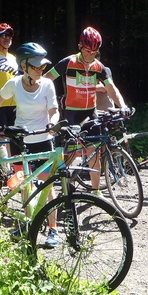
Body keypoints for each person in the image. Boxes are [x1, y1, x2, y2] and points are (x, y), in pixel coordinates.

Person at [0, 42, 60, 246]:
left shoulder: (47, 84)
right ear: (23, 67)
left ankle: (53, 229)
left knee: (48, 187)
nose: (40, 70)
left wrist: (52, 124)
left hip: (43, 140)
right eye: (36, 66)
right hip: (21, 141)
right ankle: (29, 224)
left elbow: (54, 110)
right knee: (25, 186)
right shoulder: (14, 83)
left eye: (42, 67)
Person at [45, 26, 128, 195]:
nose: (91, 54)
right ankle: (61, 182)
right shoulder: (68, 62)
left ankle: (96, 192)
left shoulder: (99, 67)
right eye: (88, 50)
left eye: (95, 50)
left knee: (94, 151)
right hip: (72, 113)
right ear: (80, 46)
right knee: (73, 152)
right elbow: (46, 80)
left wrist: (123, 106)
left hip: (91, 112)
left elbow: (112, 88)